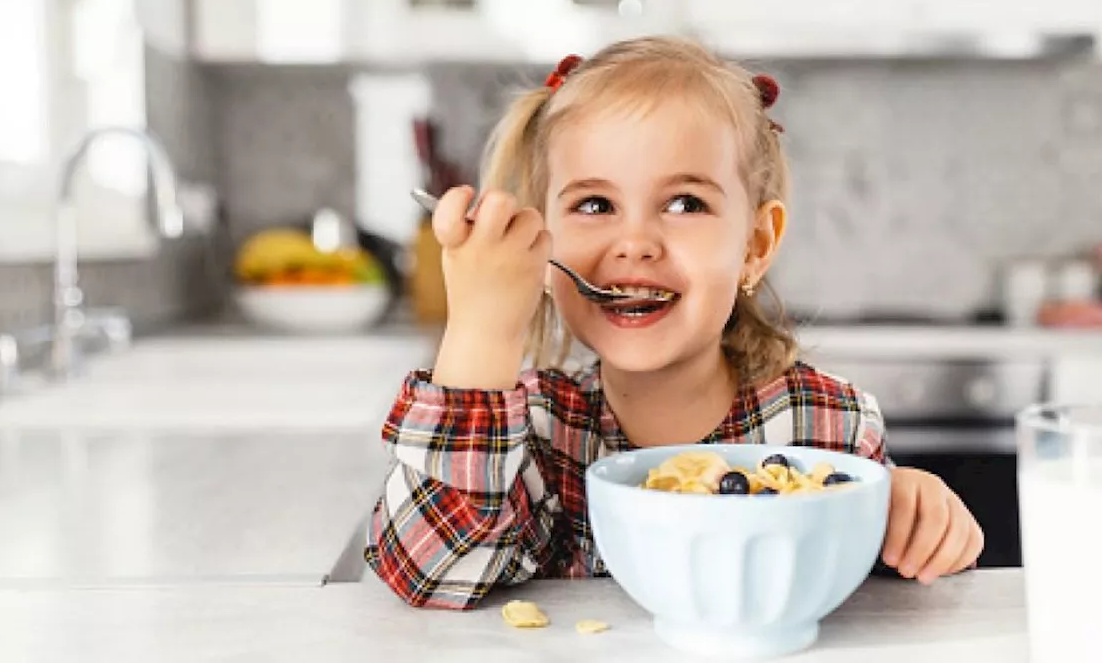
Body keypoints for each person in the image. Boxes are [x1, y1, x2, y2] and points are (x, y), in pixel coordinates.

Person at [364, 36, 983, 610]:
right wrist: (481, 331)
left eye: (685, 203)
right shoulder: (531, 435)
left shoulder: (826, 427)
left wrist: (912, 518)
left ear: (755, 244)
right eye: (595, 204)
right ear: (542, 246)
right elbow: (431, 572)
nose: (634, 243)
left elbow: (886, 593)